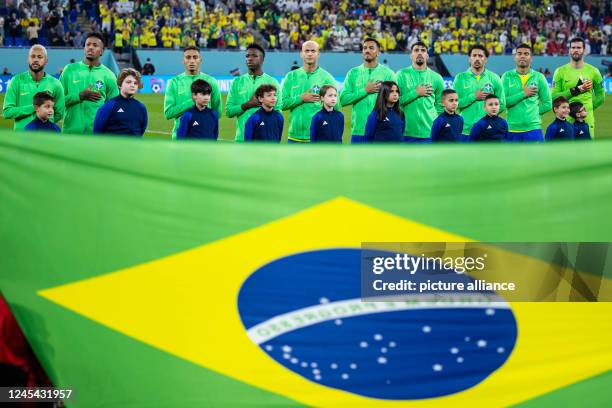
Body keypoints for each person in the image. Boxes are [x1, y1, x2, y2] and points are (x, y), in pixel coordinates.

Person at [59, 32, 119, 134]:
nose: (90, 47)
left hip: (96, 136)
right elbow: (57, 101)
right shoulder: (69, 70)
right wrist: (79, 96)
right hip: (70, 134)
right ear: (84, 48)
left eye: (95, 45)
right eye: (88, 44)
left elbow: (115, 107)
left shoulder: (109, 75)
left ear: (101, 51)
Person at [339, 38, 395, 143]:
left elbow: (397, 100)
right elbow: (343, 99)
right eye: (364, 48)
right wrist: (365, 91)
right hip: (358, 132)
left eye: (371, 48)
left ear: (378, 52)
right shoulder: (353, 73)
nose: (367, 50)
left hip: (382, 131)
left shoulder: (388, 74)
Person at [280, 40, 337, 143]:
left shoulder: (327, 78)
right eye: (306, 51)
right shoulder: (291, 77)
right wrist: (301, 98)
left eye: (313, 51)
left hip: (318, 136)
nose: (309, 54)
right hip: (294, 137)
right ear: (301, 54)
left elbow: (336, 109)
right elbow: (281, 104)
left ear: (318, 54)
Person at [226, 44, 281, 141]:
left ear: (262, 59)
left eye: (254, 56)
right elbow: (229, 111)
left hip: (265, 141)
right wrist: (248, 104)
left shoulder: (273, 82)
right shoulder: (237, 82)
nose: (250, 59)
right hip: (241, 140)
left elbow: (278, 113)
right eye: (247, 56)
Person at [164, 46, 222, 139]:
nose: (192, 61)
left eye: (195, 57)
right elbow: (168, 113)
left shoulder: (211, 81)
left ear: (200, 60)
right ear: (183, 60)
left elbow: (217, 112)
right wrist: (193, 102)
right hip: (181, 138)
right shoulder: (174, 82)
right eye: (188, 57)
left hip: (206, 138)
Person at [2, 45, 64, 130]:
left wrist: (45, 125)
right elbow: (7, 112)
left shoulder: (56, 84)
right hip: (21, 138)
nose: (35, 60)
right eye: (33, 56)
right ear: (28, 59)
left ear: (46, 61)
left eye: (39, 57)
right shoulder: (16, 81)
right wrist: (36, 107)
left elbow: (59, 113)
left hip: (46, 138)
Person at [552, 37, 605, 137]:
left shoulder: (594, 71)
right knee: (567, 150)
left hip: (586, 119)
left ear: (584, 50)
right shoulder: (560, 72)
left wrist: (586, 109)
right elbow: (554, 97)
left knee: (587, 150)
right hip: (566, 118)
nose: (575, 50)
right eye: (573, 47)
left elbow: (601, 96)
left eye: (579, 47)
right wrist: (575, 91)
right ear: (569, 50)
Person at [454, 45, 506, 140]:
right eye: (474, 55)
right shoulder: (460, 78)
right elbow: (455, 104)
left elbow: (502, 104)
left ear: (486, 59)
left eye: (480, 56)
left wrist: (490, 119)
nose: (477, 58)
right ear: (469, 58)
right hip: (465, 131)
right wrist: (474, 96)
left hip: (488, 131)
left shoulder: (494, 78)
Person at [396, 41, 444, 143]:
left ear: (427, 56)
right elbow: (394, 101)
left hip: (429, 133)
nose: (420, 53)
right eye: (416, 50)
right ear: (411, 55)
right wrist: (416, 93)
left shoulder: (437, 78)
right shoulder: (401, 75)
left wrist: (435, 124)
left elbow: (440, 106)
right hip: (405, 132)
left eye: (423, 50)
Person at [502, 43, 552, 142]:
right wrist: (524, 94)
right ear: (514, 57)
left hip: (533, 129)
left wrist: (532, 114)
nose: (522, 56)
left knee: (536, 158)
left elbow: (548, 104)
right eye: (519, 53)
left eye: (526, 54)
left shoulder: (539, 77)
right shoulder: (506, 76)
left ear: (531, 58)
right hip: (512, 129)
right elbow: (503, 103)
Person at [93, 68, 147, 136]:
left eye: (135, 83)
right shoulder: (109, 106)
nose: (132, 85)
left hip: (134, 146)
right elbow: (97, 131)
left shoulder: (141, 107)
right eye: (128, 82)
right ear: (120, 84)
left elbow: (141, 131)